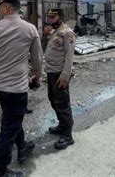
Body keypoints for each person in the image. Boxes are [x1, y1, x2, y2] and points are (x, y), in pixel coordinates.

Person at [0, 0, 43, 177]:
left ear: (7, 8)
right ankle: (0, 172)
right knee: (8, 129)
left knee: (11, 118)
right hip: (17, 87)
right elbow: (38, 60)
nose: (0, 8)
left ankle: (22, 147)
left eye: (1, 6)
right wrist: (36, 76)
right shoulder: (30, 29)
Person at [43, 9, 76, 150]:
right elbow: (46, 49)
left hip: (59, 74)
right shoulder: (54, 32)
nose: (50, 19)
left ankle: (68, 136)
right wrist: (45, 35)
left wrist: (65, 77)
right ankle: (62, 125)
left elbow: (69, 58)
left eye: (53, 17)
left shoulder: (67, 33)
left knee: (62, 104)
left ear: (61, 17)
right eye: (49, 17)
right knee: (53, 99)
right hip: (51, 72)